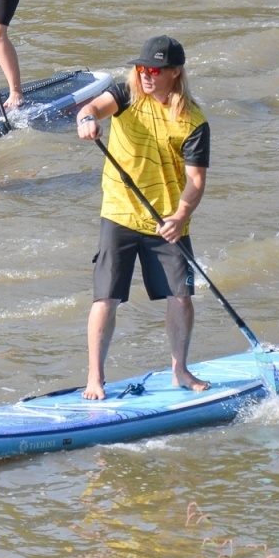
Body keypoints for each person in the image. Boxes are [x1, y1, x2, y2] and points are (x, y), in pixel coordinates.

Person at [76, 36, 211, 400]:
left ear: (174, 72)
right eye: (141, 68)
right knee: (105, 298)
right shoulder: (125, 95)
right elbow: (92, 107)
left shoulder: (194, 121)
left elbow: (196, 181)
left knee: (181, 297)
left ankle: (179, 370)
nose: (146, 75)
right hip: (119, 213)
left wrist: (180, 216)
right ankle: (94, 378)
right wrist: (87, 119)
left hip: (167, 220)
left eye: (154, 70)